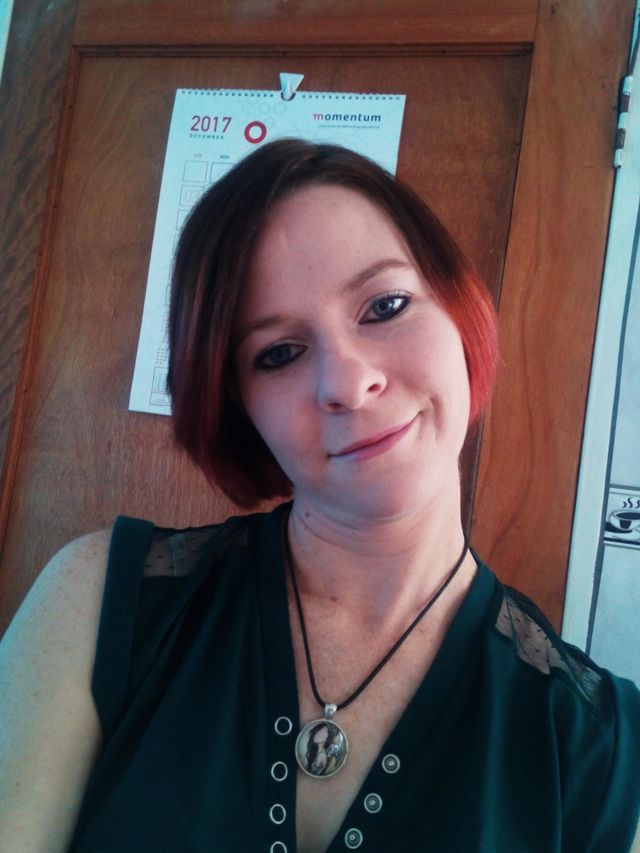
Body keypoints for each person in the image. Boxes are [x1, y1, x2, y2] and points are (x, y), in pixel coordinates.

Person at [1, 139, 639, 852]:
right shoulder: (97, 603)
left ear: (460, 312)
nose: (347, 383)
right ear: (239, 406)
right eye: (279, 353)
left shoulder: (604, 750)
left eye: (386, 305)